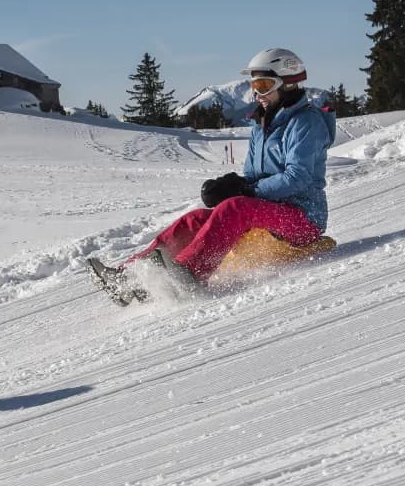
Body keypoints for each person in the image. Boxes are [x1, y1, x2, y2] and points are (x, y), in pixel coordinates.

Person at [89, 48, 335, 304]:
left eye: (264, 85)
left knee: (235, 208)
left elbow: (298, 176)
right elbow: (254, 176)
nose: (257, 93)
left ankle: (189, 274)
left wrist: (247, 192)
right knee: (195, 219)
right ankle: (130, 277)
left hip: (303, 220)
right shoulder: (262, 126)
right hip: (267, 212)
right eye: (254, 86)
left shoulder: (306, 123)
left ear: (289, 84)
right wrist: (233, 184)